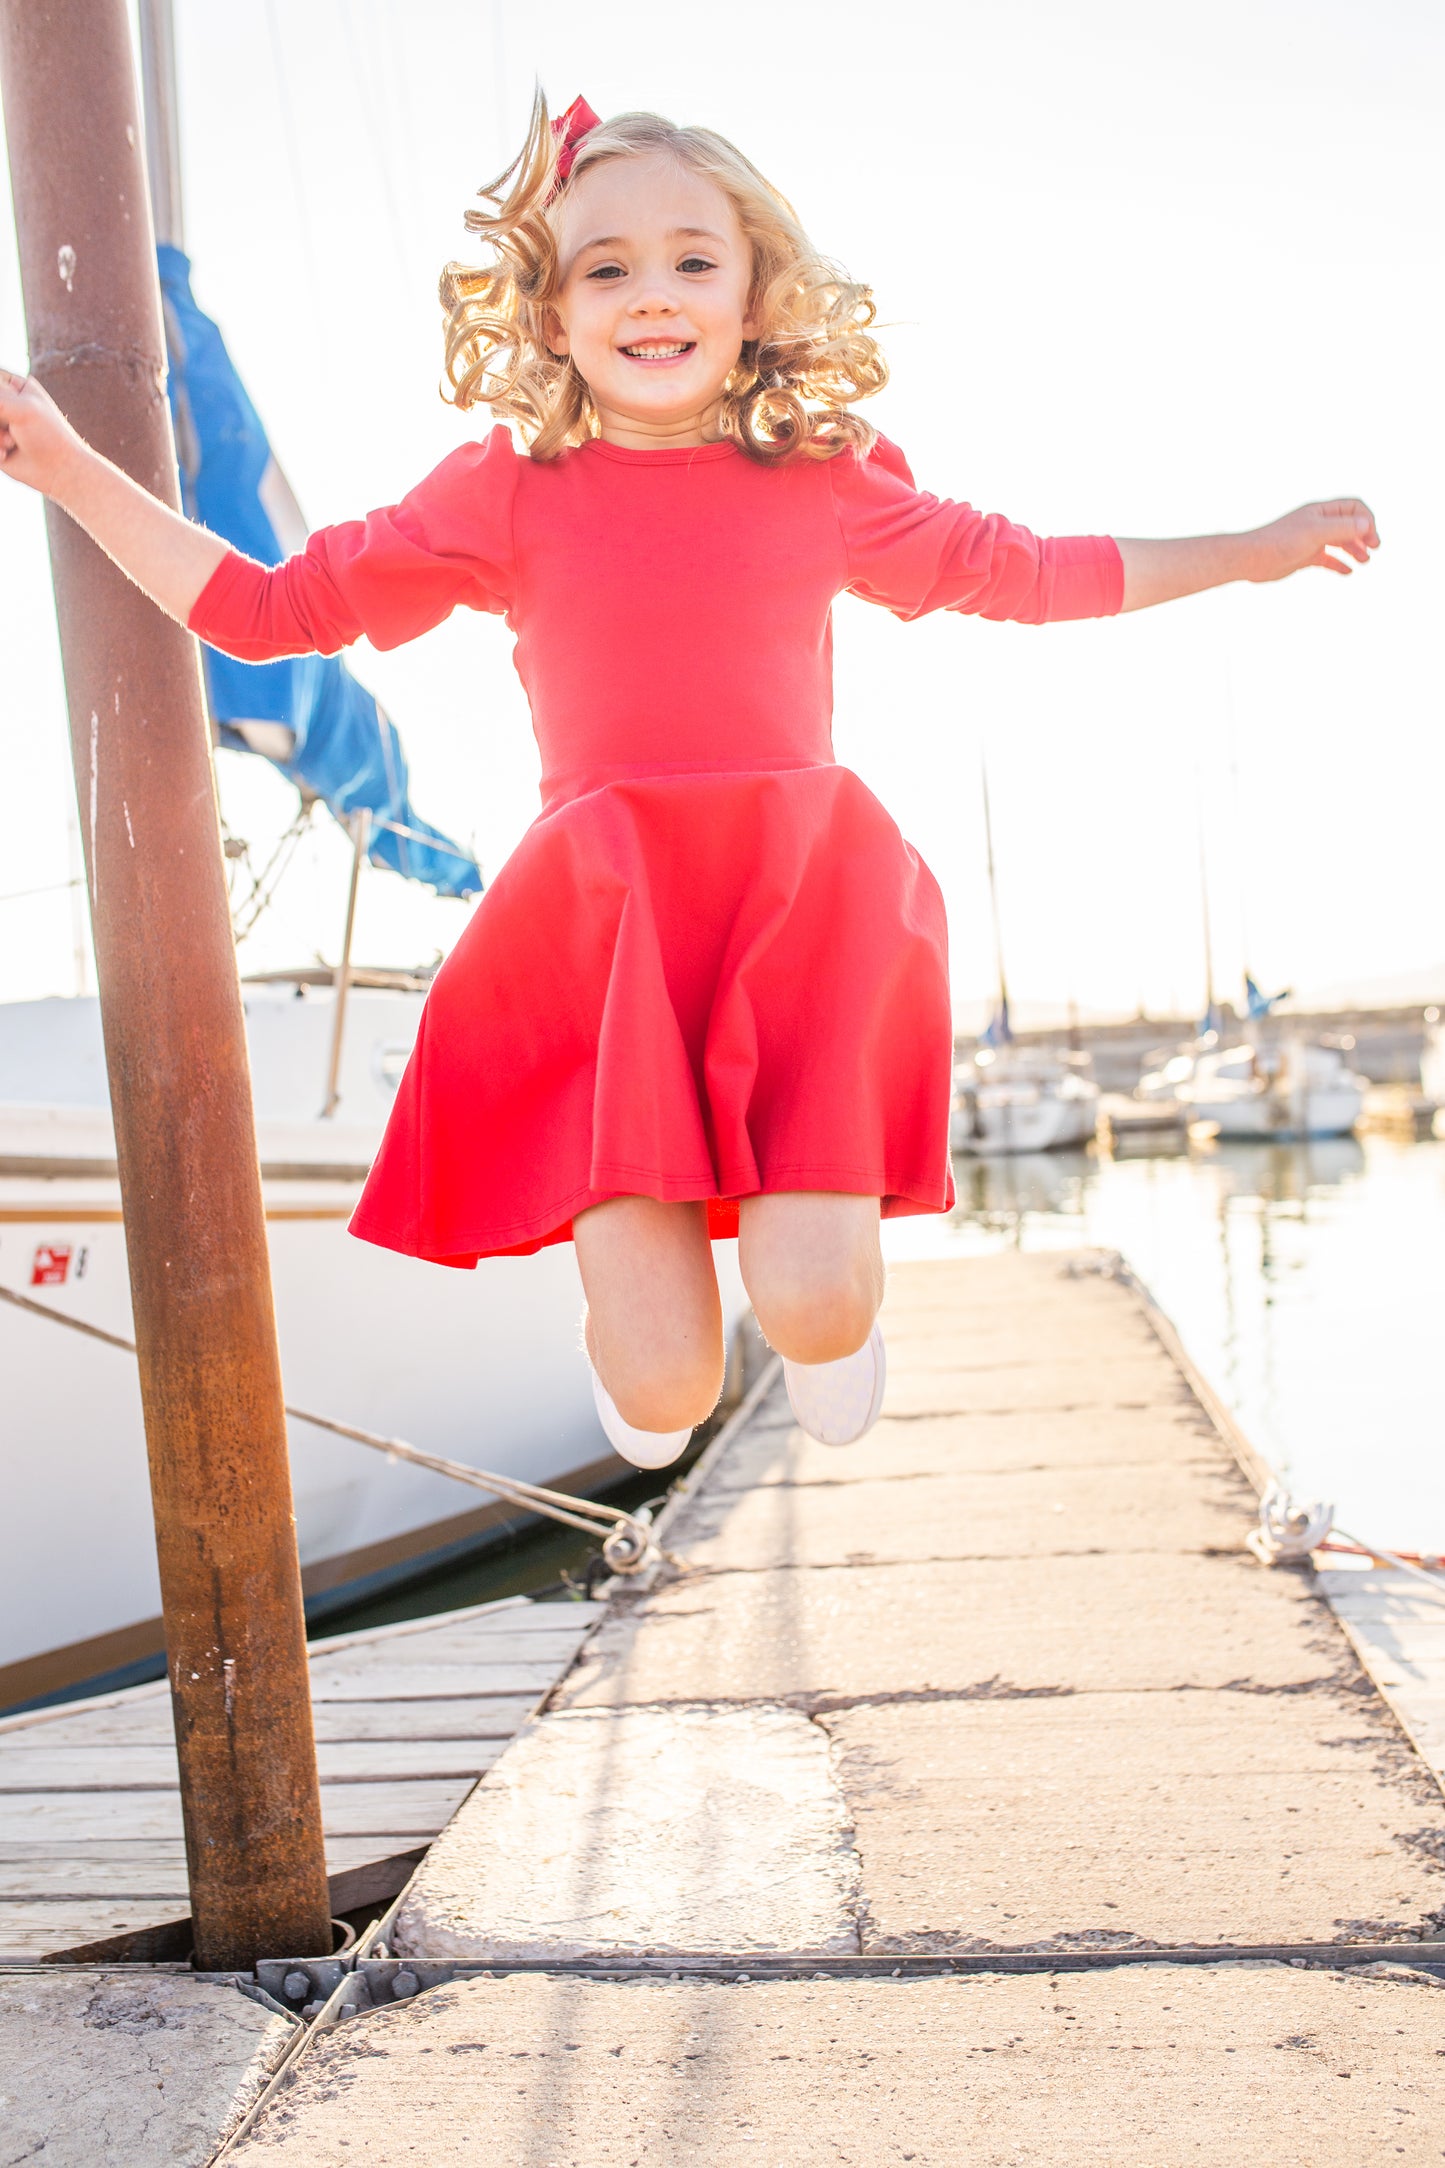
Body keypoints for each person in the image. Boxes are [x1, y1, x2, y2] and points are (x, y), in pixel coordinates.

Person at [0, 94, 1379, 1471]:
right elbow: (259, 610)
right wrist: (64, 466)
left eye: (691, 261)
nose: (650, 295)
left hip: (793, 910)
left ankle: (839, 1324)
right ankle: (642, 1361)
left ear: (755, 295)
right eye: (605, 267)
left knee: (813, 1304)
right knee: (663, 1397)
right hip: (606, 934)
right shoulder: (502, 494)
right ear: (548, 313)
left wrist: (1243, 548)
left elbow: (1032, 573)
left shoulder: (822, 479)